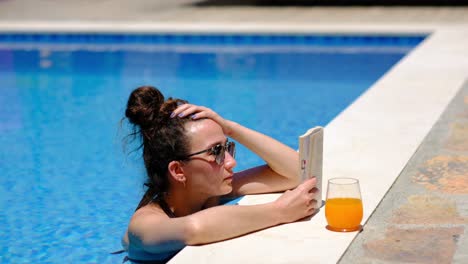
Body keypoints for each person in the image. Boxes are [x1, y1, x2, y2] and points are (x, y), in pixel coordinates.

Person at [120, 86, 318, 263]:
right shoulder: (144, 225)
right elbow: (194, 229)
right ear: (178, 171)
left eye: (227, 147)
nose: (232, 162)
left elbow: (296, 172)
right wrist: (280, 211)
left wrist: (230, 128)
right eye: (215, 152)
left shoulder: (208, 192)